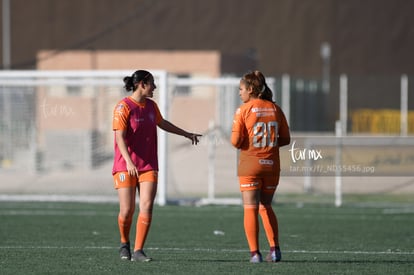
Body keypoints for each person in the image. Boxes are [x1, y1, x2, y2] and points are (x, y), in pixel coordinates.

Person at [112, 70, 201, 262]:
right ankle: (124, 243)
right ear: (142, 84)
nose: (155, 87)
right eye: (152, 83)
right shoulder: (123, 107)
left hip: (148, 165)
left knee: (146, 206)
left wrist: (187, 134)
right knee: (127, 211)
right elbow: (119, 136)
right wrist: (128, 161)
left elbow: (163, 123)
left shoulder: (151, 106)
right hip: (125, 166)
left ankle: (138, 250)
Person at [231, 70, 290, 263]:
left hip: (250, 165)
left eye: (241, 89)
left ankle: (255, 254)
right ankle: (275, 250)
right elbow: (286, 139)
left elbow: (235, 141)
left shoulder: (243, 109)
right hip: (272, 166)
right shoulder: (275, 108)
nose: (239, 93)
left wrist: (250, 145)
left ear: (250, 89)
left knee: (250, 208)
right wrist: (268, 144)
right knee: (266, 206)